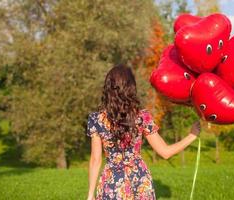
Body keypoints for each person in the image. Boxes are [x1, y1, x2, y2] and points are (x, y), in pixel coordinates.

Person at [86, 64, 201, 200]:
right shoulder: (142, 117)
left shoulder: (97, 120)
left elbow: (95, 160)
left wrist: (90, 194)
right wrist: (192, 135)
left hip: (112, 183)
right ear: (131, 88)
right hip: (140, 181)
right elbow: (165, 152)